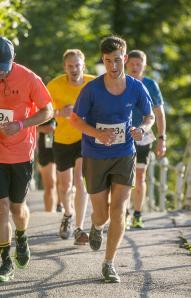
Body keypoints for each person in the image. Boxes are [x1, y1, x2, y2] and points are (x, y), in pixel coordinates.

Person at [70, 35, 155, 283]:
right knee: (102, 214)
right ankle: (96, 227)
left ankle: (109, 264)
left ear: (125, 59)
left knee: (119, 210)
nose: (113, 66)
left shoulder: (136, 87)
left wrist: (143, 129)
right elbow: (75, 119)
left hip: (124, 153)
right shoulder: (92, 89)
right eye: (108, 61)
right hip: (95, 155)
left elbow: (149, 117)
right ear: (103, 61)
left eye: (117, 60)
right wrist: (98, 133)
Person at [0, 37, 53, 282]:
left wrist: (22, 124)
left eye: (4, 66)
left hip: (21, 152)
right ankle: (5, 260)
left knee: (17, 209)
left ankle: (21, 235)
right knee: (1, 208)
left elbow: (47, 111)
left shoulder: (30, 78)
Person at [47, 49, 95, 245]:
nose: (74, 69)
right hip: (62, 139)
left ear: (83, 65)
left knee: (80, 181)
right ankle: (67, 214)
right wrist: (60, 112)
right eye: (70, 66)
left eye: (77, 65)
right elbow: (44, 112)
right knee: (64, 185)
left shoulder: (93, 83)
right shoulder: (54, 85)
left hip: (85, 138)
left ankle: (79, 227)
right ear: (64, 67)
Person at [125, 50, 166, 228]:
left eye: (138, 64)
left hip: (144, 135)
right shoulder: (120, 82)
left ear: (144, 66)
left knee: (140, 176)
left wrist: (162, 138)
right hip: (123, 134)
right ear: (126, 63)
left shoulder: (150, 85)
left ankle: (137, 214)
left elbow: (159, 113)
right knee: (123, 177)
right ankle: (123, 213)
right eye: (132, 64)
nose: (135, 67)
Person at [37, 119, 63, 212]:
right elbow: (28, 126)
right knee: (50, 184)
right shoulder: (40, 105)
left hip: (65, 145)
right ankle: (49, 214)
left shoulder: (67, 105)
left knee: (64, 183)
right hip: (46, 147)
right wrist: (42, 128)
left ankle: (61, 206)